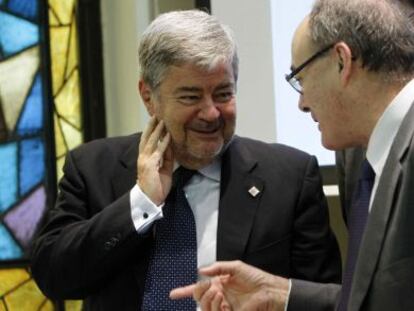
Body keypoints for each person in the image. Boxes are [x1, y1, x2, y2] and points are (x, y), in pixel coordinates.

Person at [30, 9, 341, 311]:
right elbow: (55, 277)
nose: (210, 113)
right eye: (191, 97)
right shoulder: (93, 168)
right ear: (148, 97)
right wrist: (142, 202)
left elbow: (325, 300)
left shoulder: (289, 177)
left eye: (223, 94)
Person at [170, 0, 414, 310]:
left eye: (300, 78)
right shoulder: (360, 160)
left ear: (342, 61)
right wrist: (280, 294)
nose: (302, 103)